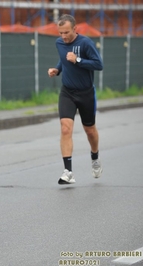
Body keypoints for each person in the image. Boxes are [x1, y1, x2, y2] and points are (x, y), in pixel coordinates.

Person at [48, 14, 103, 185]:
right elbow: (64, 60)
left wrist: (78, 59)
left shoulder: (85, 43)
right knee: (65, 128)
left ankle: (95, 157)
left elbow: (98, 64)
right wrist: (57, 70)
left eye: (66, 32)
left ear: (75, 29)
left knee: (90, 131)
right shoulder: (59, 43)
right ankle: (68, 171)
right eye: (60, 33)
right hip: (67, 92)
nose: (63, 36)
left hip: (86, 93)